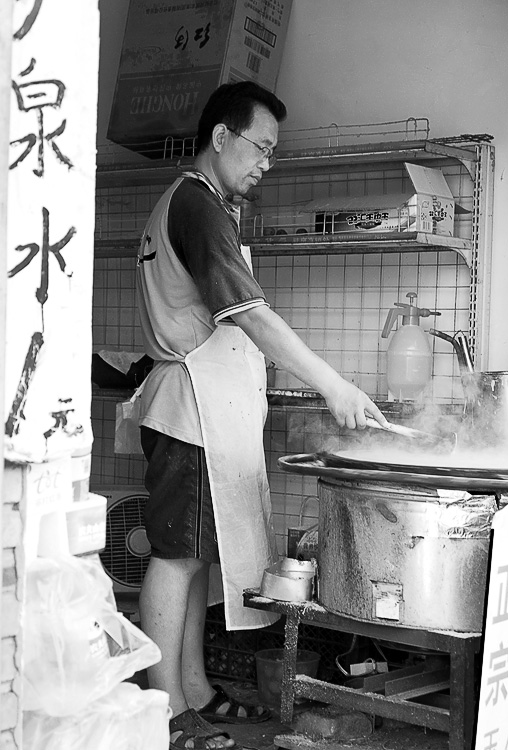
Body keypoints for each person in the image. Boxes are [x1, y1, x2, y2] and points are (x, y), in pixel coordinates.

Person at [136, 81, 387, 750]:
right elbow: (249, 315)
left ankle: (192, 691)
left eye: (273, 153)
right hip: (189, 408)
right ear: (221, 136)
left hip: (201, 411)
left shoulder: (201, 204)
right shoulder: (196, 205)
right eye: (261, 148)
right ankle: (161, 712)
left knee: (190, 559)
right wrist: (331, 382)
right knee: (173, 558)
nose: (266, 163)